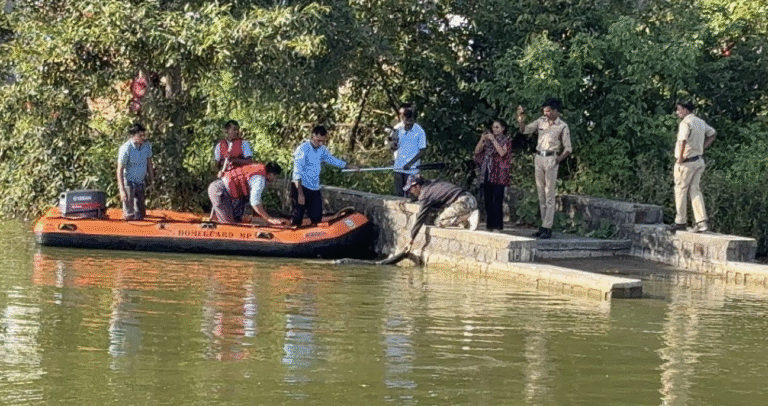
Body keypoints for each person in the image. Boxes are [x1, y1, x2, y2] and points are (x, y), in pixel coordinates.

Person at [517, 99, 572, 239]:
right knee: (541, 193)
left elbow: (568, 148)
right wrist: (521, 119)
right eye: (544, 111)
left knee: (549, 194)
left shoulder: (562, 126)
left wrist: (558, 160)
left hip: (551, 157)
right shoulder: (541, 121)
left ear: (555, 111)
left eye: (548, 111)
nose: (546, 113)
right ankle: (543, 226)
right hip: (539, 157)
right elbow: (524, 130)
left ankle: (548, 227)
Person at [291, 125, 357, 226]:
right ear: (313, 136)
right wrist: (300, 193)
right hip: (301, 186)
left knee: (317, 216)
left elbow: (331, 159)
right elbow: (296, 173)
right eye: (318, 141)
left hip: (314, 187)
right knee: (297, 216)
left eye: (323, 141)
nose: (320, 143)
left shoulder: (322, 150)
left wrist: (347, 165)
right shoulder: (303, 149)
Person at [669, 100, 716, 233]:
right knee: (695, 190)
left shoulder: (686, 123)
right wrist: (702, 148)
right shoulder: (700, 122)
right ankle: (701, 222)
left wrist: (681, 158)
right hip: (698, 160)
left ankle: (680, 221)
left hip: (687, 162)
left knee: (680, 190)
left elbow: (683, 140)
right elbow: (712, 133)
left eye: (679, 109)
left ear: (685, 110)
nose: (677, 112)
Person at [403, 176, 480, 252]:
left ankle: (468, 216)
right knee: (452, 218)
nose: (410, 192)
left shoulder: (424, 194)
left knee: (439, 222)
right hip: (470, 198)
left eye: (411, 189)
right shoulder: (432, 183)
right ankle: (466, 220)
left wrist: (411, 238)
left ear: (417, 186)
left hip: (463, 203)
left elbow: (420, 218)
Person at [207, 162, 285, 225]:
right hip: (220, 191)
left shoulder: (256, 170)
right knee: (229, 224)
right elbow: (255, 202)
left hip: (223, 190)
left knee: (236, 219)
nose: (275, 180)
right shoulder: (259, 180)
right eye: (275, 177)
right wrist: (268, 218)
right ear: (271, 174)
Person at [473, 118, 513, 231]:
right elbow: (477, 151)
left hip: (499, 172)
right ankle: (489, 224)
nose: (495, 129)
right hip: (487, 170)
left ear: (503, 128)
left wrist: (493, 140)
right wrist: (482, 139)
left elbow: (502, 152)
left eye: (497, 127)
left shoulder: (506, 140)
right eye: (493, 127)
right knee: (488, 199)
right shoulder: (488, 140)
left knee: (497, 199)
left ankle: (498, 225)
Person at [117, 123, 154, 220]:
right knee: (129, 215)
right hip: (129, 182)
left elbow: (149, 163)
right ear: (134, 136)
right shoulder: (126, 148)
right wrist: (122, 190)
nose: (143, 138)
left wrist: (152, 180)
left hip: (140, 182)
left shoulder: (146, 146)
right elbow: (120, 169)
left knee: (140, 215)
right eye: (140, 135)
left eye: (144, 135)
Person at [389, 103, 427, 196]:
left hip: (412, 170)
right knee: (398, 195)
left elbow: (422, 150)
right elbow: (392, 147)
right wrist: (393, 145)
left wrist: (410, 163)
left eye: (409, 115)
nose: (407, 119)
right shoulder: (396, 128)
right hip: (398, 168)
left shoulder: (419, 131)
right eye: (404, 115)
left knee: (412, 195)